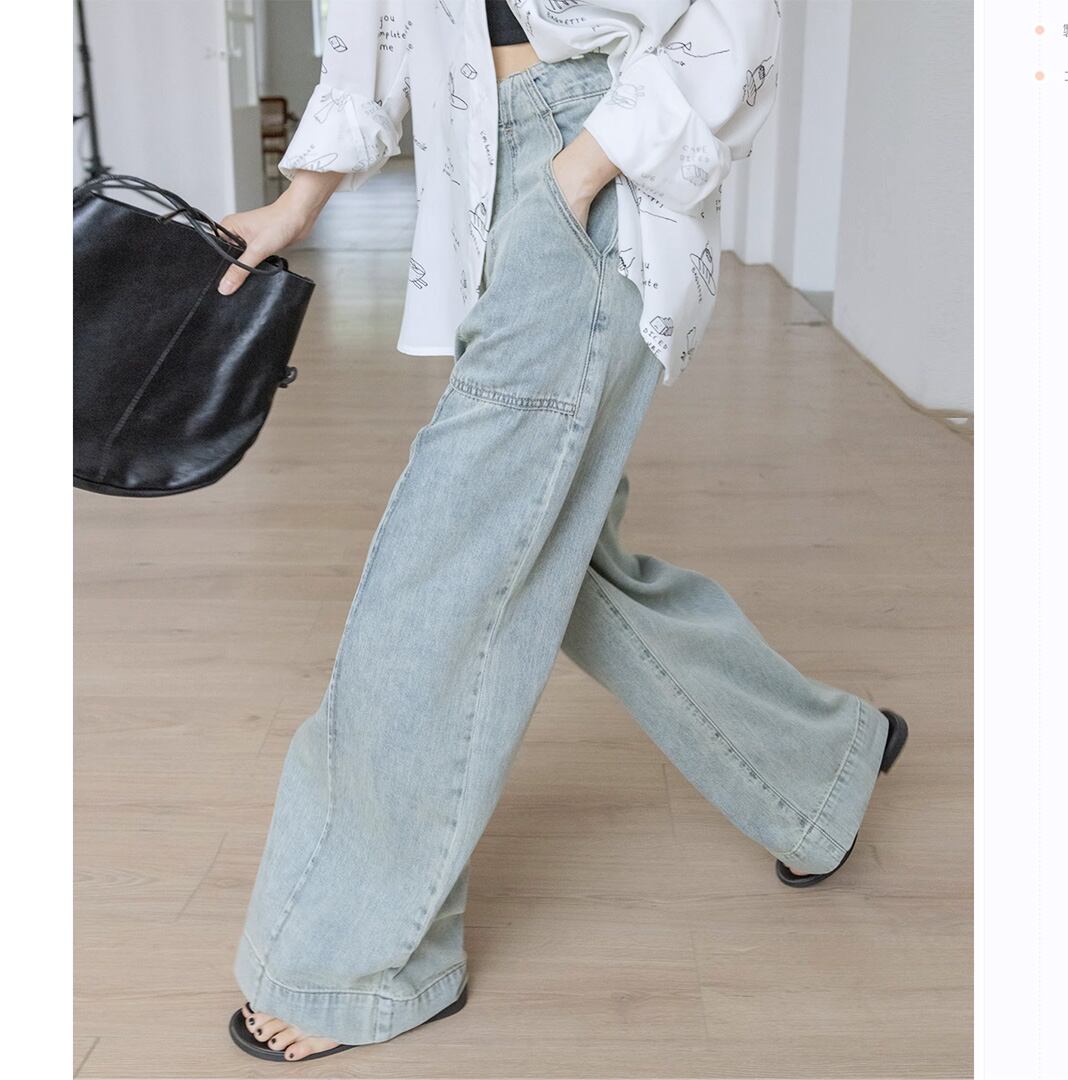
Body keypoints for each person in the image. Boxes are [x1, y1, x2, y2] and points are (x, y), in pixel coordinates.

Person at [218, 0, 907, 1064]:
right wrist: (298, 200)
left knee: (443, 569)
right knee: (546, 546)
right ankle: (817, 768)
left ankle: (357, 963)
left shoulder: (582, 163)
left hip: (586, 159)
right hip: (484, 170)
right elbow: (377, 27)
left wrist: (582, 167)